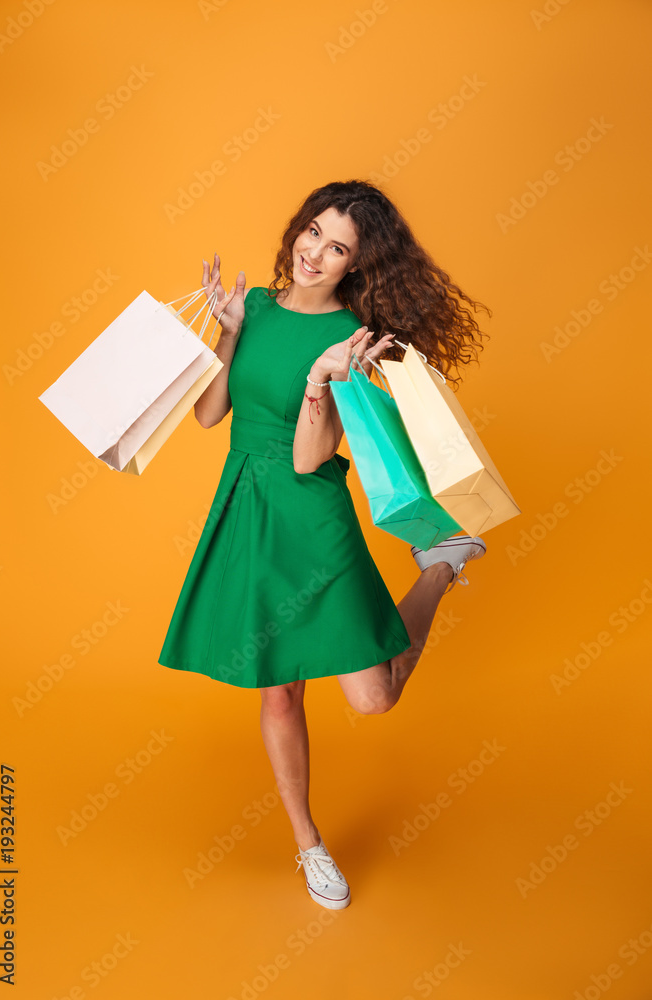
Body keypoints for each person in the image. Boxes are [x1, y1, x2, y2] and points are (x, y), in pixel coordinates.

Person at [157, 179, 492, 910]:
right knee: (277, 687)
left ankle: (438, 567)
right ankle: (308, 844)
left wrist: (319, 375)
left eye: (335, 246)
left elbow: (310, 459)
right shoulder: (258, 308)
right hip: (246, 504)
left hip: (310, 512)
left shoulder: (352, 338)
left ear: (355, 264)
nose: (313, 252)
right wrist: (227, 329)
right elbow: (210, 416)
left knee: (374, 697)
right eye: (312, 232)